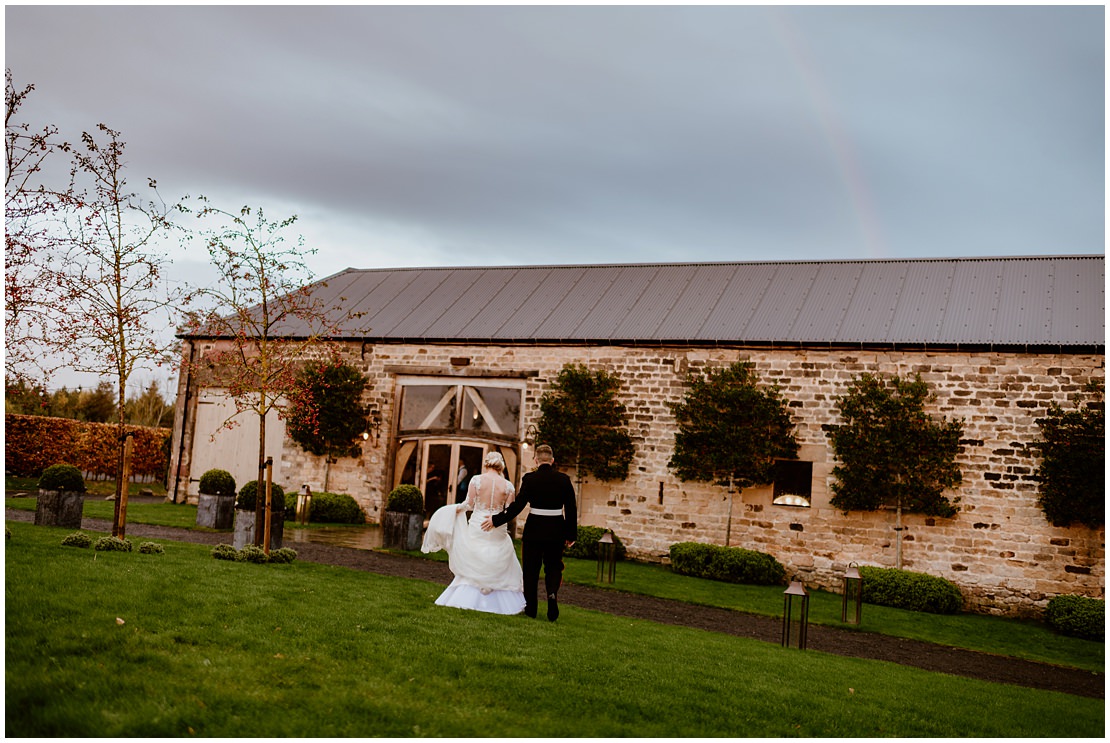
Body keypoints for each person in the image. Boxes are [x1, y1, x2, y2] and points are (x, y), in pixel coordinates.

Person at [420, 451, 526, 615]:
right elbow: (509, 512)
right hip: (497, 525)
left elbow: (468, 504)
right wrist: (496, 519)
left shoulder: (476, 480)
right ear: (500, 466)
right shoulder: (508, 486)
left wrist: (454, 510)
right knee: (495, 553)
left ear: (486, 464)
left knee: (477, 554)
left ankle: (467, 596)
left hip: (478, 523)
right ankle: (498, 602)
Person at [482, 444, 576, 621]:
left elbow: (517, 506)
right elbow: (571, 508)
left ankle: (531, 608)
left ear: (536, 460)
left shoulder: (530, 479)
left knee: (531, 570)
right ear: (553, 460)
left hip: (534, 530)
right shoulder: (564, 480)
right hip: (556, 529)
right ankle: (552, 595)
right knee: (554, 567)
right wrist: (570, 535)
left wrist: (495, 520)